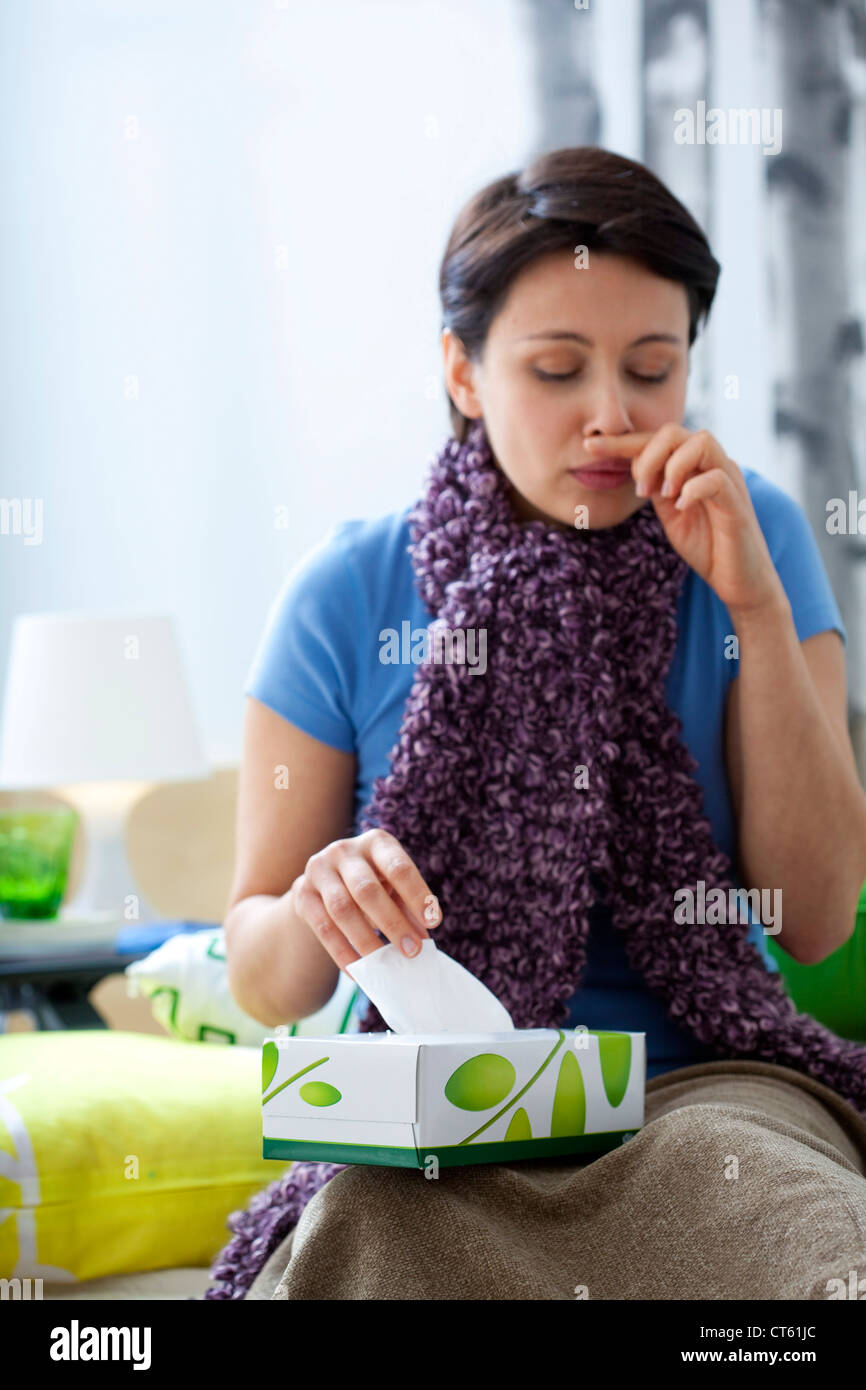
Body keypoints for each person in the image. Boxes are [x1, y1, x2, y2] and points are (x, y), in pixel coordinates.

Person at [206, 147, 866, 1302]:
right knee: (361, 1225)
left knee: (794, 1217)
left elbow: (810, 919)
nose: (608, 416)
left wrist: (752, 603)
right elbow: (266, 982)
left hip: (705, 1085)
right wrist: (328, 900)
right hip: (450, 1102)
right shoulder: (348, 589)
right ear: (461, 372)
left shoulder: (746, 538)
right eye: (555, 369)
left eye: (651, 371)